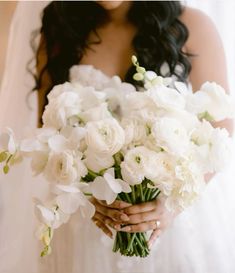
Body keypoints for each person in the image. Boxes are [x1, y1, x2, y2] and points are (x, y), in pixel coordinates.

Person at [0, 1, 235, 273]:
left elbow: (221, 131)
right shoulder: (59, 29)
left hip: (171, 226)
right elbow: (50, 132)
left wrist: (171, 206)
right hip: (86, 225)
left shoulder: (193, 26)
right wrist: (85, 193)